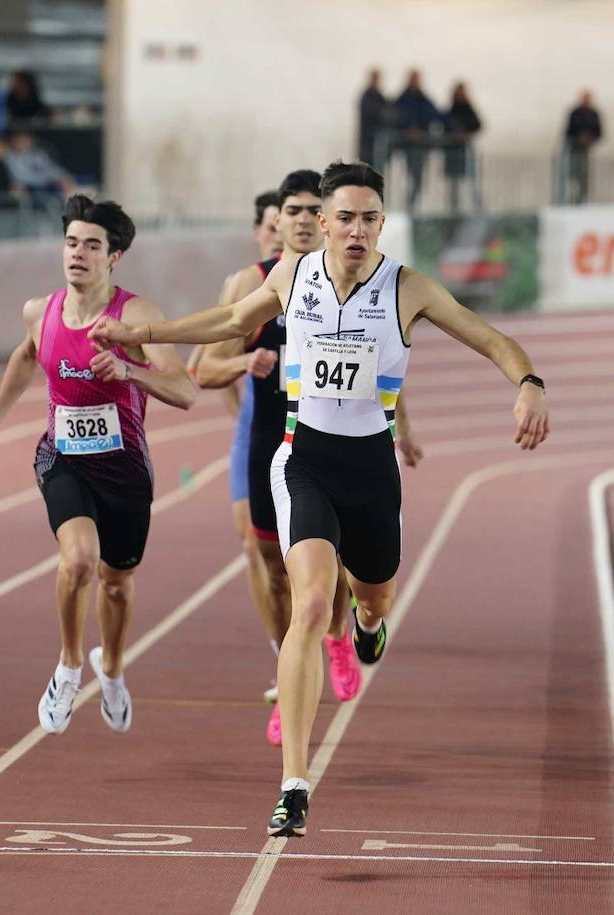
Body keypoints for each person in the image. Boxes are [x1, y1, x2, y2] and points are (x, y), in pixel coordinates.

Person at [90, 161, 548, 836]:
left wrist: (529, 380)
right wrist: (143, 334)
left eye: (370, 218)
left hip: (372, 469)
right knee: (307, 604)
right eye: (346, 217)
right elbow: (229, 317)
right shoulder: (293, 276)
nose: (356, 230)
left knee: (372, 596)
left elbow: (490, 338)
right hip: (303, 460)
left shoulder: (406, 288)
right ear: (323, 222)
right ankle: (295, 783)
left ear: (381, 225)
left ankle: (366, 626)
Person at [194, 171, 423, 745]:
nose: (295, 221)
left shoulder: (356, 281)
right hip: (266, 432)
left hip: (336, 439)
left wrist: (404, 426)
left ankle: (336, 637)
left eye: (303, 210)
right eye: (286, 212)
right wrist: (241, 372)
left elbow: (381, 360)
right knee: (265, 556)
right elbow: (205, 365)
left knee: (329, 568)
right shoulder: (253, 282)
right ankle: (288, 665)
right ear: (272, 225)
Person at [0, 195, 197, 735]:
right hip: (62, 459)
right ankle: (68, 667)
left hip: (126, 472)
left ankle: (109, 667)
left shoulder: (135, 316)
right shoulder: (38, 310)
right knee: (80, 560)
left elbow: (185, 391)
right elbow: (25, 355)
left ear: (114, 257)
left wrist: (129, 372)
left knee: (117, 581)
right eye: (71, 243)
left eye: (92, 245)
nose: (78, 254)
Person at [190, 189, 282, 711]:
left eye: (285, 222)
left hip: (303, 422)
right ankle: (280, 650)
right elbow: (203, 364)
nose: (277, 233)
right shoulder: (243, 284)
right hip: (255, 422)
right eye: (270, 226)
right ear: (259, 232)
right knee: (254, 546)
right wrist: (239, 407)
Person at [394, 70, 443, 211]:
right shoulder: (403, 99)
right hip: (408, 147)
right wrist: (407, 131)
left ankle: (411, 206)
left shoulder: (423, 99)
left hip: (421, 147)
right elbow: (396, 117)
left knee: (418, 179)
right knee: (410, 177)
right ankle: (408, 207)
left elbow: (436, 115)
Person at [444, 82, 481, 214]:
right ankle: (454, 208)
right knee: (454, 183)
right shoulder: (452, 109)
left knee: (470, 181)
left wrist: (466, 134)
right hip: (454, 152)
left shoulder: (468, 108)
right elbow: (445, 125)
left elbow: (477, 125)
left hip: (464, 152)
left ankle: (473, 206)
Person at [562, 89, 601, 205]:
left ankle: (585, 199)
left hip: (588, 151)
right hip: (575, 150)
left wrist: (589, 138)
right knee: (574, 175)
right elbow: (569, 131)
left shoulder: (594, 114)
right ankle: (573, 198)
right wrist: (578, 138)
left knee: (585, 177)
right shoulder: (575, 113)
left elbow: (599, 132)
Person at [356, 68, 389, 169]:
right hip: (368, 143)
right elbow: (377, 113)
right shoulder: (367, 97)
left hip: (376, 144)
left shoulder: (379, 97)